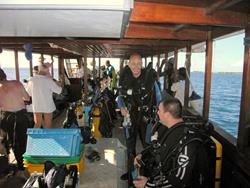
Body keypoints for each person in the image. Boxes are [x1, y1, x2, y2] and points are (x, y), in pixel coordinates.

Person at [133, 98, 209, 188]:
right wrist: (141, 155)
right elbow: (155, 146)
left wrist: (148, 185)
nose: (157, 113)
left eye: (159, 110)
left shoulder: (187, 142)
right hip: (160, 177)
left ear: (167, 115)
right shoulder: (165, 128)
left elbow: (179, 179)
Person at [118, 53, 162, 186]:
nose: (136, 67)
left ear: (142, 65)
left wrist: (158, 118)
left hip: (146, 117)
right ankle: (131, 175)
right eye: (133, 64)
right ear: (128, 64)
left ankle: (147, 177)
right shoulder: (124, 77)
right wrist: (121, 108)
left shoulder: (150, 78)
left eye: (139, 64)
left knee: (148, 147)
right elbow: (119, 96)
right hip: (130, 116)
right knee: (130, 146)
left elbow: (159, 98)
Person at [0, 68, 31, 179]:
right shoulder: (17, 83)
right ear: (4, 74)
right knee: (22, 142)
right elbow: (27, 98)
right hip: (21, 117)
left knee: (8, 141)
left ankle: (9, 165)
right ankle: (25, 167)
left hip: (7, 118)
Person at [27, 64, 62, 128]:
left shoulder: (31, 80)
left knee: (37, 124)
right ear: (47, 71)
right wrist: (57, 82)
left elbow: (29, 94)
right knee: (48, 125)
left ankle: (35, 138)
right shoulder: (49, 80)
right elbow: (59, 91)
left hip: (36, 105)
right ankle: (47, 137)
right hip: (47, 105)